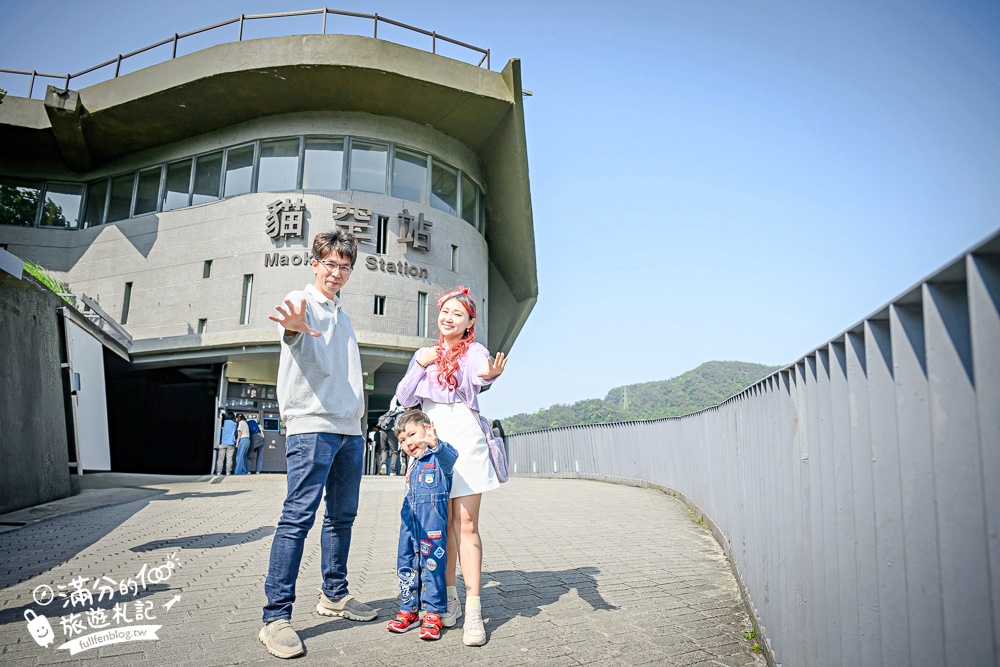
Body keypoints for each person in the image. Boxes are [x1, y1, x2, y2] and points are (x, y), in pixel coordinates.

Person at [258, 229, 376, 660]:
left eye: (345, 266)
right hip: (312, 426)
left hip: (349, 429)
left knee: (342, 517)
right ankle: (275, 618)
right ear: (315, 263)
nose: (336, 272)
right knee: (297, 518)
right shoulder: (301, 300)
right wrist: (292, 329)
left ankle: (334, 595)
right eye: (330, 264)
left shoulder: (342, 314)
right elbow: (293, 329)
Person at [394, 286, 507, 647]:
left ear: (469, 322)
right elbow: (405, 397)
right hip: (432, 442)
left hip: (467, 440)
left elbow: (479, 374)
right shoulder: (424, 354)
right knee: (438, 528)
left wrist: (490, 373)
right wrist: (421, 364)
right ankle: (447, 599)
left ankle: (473, 609)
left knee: (466, 524)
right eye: (446, 312)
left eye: (458, 314)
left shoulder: (475, 351)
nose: (449, 318)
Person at [386, 410, 459, 640]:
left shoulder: (438, 459)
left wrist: (435, 443)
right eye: (402, 440)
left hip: (432, 527)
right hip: (409, 524)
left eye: (412, 434)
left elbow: (451, 458)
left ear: (427, 429)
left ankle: (433, 613)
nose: (408, 442)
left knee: (433, 566)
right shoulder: (413, 464)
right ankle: (408, 610)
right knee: (406, 563)